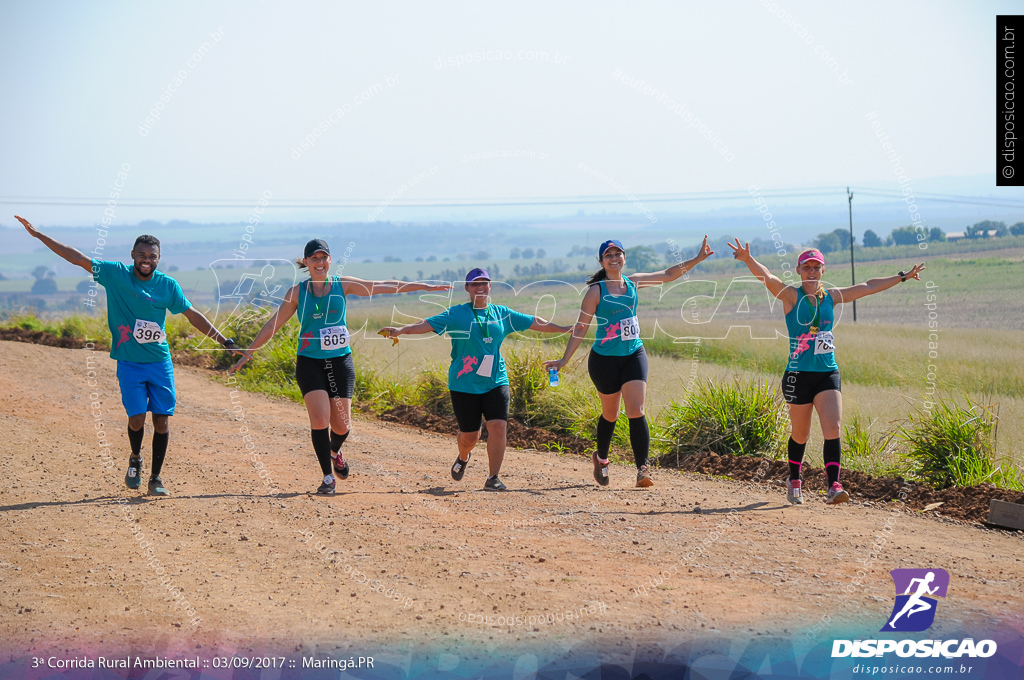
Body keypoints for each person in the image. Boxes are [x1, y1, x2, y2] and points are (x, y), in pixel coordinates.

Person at [16, 215, 240, 496]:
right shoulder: (115, 274)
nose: (147, 260)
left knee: (162, 419)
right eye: (142, 255)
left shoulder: (167, 285)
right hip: (130, 362)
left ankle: (155, 478)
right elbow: (77, 258)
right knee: (136, 418)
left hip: (159, 362)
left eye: (152, 256)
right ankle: (135, 458)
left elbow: (191, 314)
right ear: (133, 255)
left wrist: (223, 340)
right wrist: (39, 236)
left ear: (159, 258)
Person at [229, 239, 451, 495]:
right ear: (306, 262)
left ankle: (334, 451)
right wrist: (249, 352)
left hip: (339, 361)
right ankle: (326, 477)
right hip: (310, 361)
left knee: (342, 425)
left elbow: (383, 286)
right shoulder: (296, 293)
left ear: (330, 261)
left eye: (324, 258)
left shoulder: (342, 284)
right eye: (314, 258)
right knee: (320, 418)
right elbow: (272, 325)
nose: (320, 262)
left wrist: (425, 286)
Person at [728, 241, 925, 505]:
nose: (811, 272)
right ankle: (794, 479)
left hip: (827, 372)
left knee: (832, 427)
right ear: (799, 270)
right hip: (798, 375)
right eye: (806, 267)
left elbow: (868, 287)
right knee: (801, 434)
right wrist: (748, 259)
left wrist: (903, 276)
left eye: (816, 267)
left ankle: (833, 485)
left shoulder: (831, 297)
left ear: (823, 270)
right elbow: (768, 278)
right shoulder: (790, 296)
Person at [380, 268, 571, 491]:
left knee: (498, 426)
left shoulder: (502, 313)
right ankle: (463, 456)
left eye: (485, 283)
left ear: (490, 286)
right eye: (475, 283)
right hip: (464, 383)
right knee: (470, 436)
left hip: (496, 380)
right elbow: (426, 324)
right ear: (467, 288)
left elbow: (534, 321)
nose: (480, 287)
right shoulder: (457, 314)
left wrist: (565, 329)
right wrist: (401, 330)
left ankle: (493, 477)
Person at [544, 237, 713, 488]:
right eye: (608, 255)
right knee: (610, 414)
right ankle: (601, 459)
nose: (614, 258)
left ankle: (642, 469)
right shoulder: (595, 291)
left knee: (636, 410)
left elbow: (668, 274)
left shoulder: (633, 282)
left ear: (624, 258)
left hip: (634, 354)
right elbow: (581, 327)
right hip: (604, 360)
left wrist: (697, 259)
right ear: (602, 261)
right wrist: (564, 360)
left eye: (618, 253)